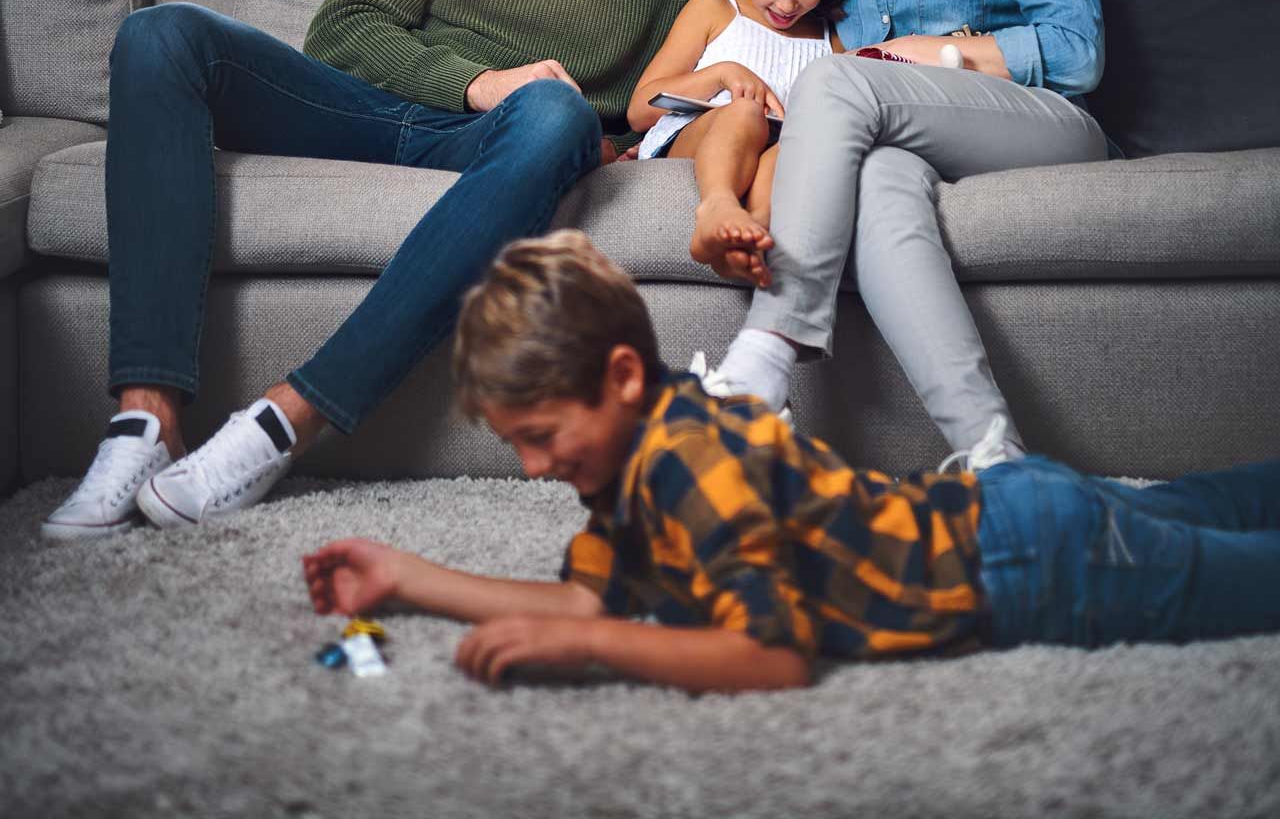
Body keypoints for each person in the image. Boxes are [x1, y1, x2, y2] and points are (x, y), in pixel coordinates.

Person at [42, 0, 717, 542]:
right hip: (369, 114)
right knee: (160, 33)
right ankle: (146, 421)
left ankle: (285, 421)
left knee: (557, 110)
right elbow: (347, 29)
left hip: (509, 146)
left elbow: (678, 91)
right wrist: (477, 82)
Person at [301, 232, 1280, 693]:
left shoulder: (691, 464)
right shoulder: (631, 462)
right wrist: (403, 579)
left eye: (541, 436)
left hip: (1037, 570)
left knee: (1245, 576)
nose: (529, 469)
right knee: (1217, 508)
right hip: (1015, 515)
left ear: (622, 376)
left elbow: (770, 657)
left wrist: (596, 654)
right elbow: (587, 601)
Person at [704, 0, 1108, 469]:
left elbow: (1077, 57)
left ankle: (767, 351)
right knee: (883, 178)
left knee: (837, 81)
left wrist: (931, 53)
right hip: (900, 138)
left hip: (1039, 125)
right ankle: (996, 460)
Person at [626, 0, 848, 288]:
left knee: (798, 142)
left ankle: (753, 234)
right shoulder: (713, 11)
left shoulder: (827, 38)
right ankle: (717, 207)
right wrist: (723, 74)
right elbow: (641, 110)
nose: (786, 4)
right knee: (744, 111)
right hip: (700, 138)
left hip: (781, 149)